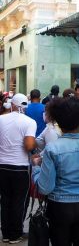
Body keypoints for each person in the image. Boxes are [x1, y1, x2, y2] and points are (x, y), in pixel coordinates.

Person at [32, 97, 79, 246]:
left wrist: (35, 169)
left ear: (58, 122)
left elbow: (45, 187)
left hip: (60, 208)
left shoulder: (52, 148)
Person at [0, 93, 37, 244]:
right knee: (19, 201)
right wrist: (35, 145)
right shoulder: (29, 122)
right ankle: (15, 234)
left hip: (2, 166)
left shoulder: (1, 119)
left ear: (13, 105)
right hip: (20, 167)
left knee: (5, 200)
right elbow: (29, 146)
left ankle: (6, 233)